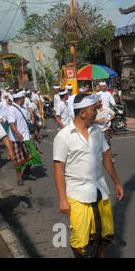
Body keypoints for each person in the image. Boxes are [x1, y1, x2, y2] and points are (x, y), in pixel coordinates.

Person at [53, 94, 124, 258]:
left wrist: (117, 183)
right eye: (94, 109)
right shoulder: (63, 136)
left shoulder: (97, 132)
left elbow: (106, 157)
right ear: (83, 113)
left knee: (104, 236)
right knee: (81, 242)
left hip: (101, 191)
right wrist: (62, 199)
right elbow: (58, 168)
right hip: (77, 195)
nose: (97, 112)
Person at [7, 91, 42, 186]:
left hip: (27, 136)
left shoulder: (23, 108)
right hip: (16, 138)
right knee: (18, 160)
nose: (24, 100)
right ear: (20, 99)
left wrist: (31, 132)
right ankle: (19, 178)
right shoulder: (11, 109)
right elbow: (11, 123)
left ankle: (27, 171)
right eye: (23, 98)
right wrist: (17, 133)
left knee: (34, 155)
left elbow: (26, 122)